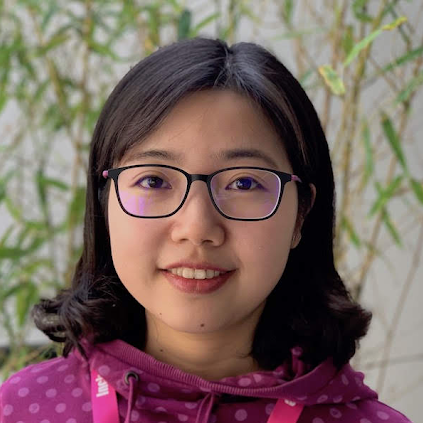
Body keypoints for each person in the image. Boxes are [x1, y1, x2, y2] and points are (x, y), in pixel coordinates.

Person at [0, 37, 412, 423]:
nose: (197, 228)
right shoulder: (23, 408)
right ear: (105, 204)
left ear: (301, 214)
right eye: (154, 181)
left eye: (244, 183)